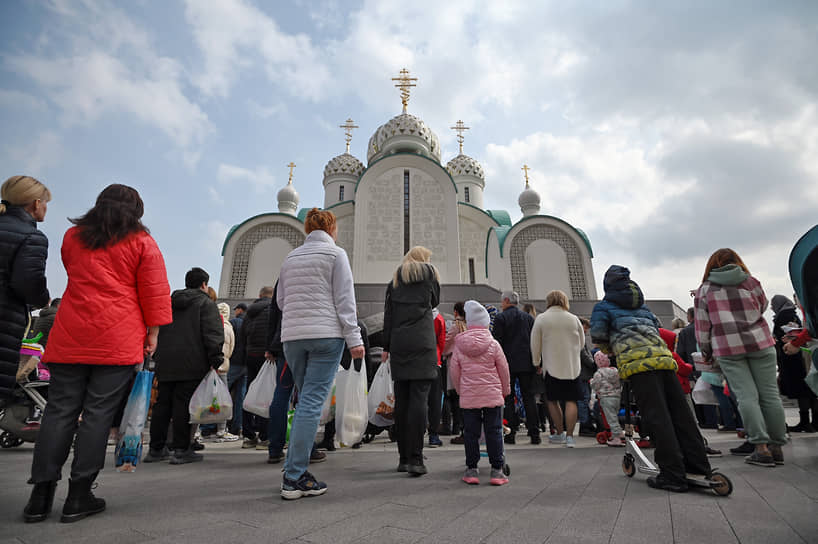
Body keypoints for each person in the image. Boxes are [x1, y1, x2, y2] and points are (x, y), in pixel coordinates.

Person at [24, 184, 171, 523]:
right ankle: (79, 495)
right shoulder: (142, 242)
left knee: (58, 412)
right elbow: (154, 291)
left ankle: (39, 496)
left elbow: (75, 273)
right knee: (97, 416)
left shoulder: (73, 237)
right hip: (116, 338)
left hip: (71, 334)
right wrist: (153, 333)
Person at [592, 265, 710, 492]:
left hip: (638, 366)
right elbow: (656, 329)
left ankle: (672, 473)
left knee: (657, 417)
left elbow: (598, 335)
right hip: (665, 361)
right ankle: (698, 464)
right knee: (680, 414)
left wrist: (611, 348)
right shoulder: (643, 306)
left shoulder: (604, 307)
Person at [277, 208, 363, 499]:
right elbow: (344, 299)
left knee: (305, 402)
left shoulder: (290, 257)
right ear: (332, 229)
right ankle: (294, 476)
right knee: (312, 403)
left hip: (293, 337)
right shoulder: (335, 254)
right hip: (326, 335)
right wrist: (355, 339)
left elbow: (281, 300)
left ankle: (293, 466)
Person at [694, 249, 787, 467]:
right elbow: (762, 306)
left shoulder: (705, 289)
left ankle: (760, 447)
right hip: (761, 343)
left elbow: (702, 325)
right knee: (770, 395)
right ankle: (777, 446)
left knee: (746, 396)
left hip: (728, 347)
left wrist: (706, 349)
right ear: (737, 262)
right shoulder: (751, 282)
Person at [144, 267, 223, 465]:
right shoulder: (205, 304)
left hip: (165, 361)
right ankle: (181, 449)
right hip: (192, 362)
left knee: (163, 404)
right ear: (204, 284)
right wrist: (216, 358)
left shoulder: (169, 302)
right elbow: (212, 333)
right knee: (183, 405)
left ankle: (156, 448)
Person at [383, 246, 441, 477]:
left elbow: (388, 317)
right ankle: (416, 459)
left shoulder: (395, 281)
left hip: (400, 344)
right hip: (423, 343)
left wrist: (386, 347)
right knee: (419, 400)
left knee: (403, 400)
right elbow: (436, 301)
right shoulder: (431, 276)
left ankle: (404, 458)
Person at [0, 175, 50, 402]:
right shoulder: (32, 236)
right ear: (35, 203)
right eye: (45, 202)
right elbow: (27, 283)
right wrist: (43, 299)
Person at [449, 300, 510, 485]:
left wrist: (461, 390)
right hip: (492, 394)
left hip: (469, 396)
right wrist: (505, 390)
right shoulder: (493, 344)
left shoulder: (459, 344)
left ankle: (471, 470)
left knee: (471, 433)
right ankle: (497, 470)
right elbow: (503, 369)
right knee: (495, 431)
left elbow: (454, 371)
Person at [530, 290, 584, 447]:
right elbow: (581, 344)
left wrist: (536, 361)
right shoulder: (574, 319)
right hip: (572, 367)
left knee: (553, 400)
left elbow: (535, 343)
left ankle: (559, 433)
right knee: (571, 400)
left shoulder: (542, 318)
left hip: (552, 366)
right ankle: (570, 437)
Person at [492, 290, 539, 445]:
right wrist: (538, 362)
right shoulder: (528, 318)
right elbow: (535, 342)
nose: (501, 304)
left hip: (507, 363)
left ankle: (511, 434)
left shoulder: (500, 318)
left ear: (506, 300)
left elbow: (497, 343)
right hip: (527, 363)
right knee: (529, 397)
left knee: (508, 398)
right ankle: (534, 433)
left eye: (502, 301)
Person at [771, 294, 816, 432]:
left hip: (792, 357)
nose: (772, 308)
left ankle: (805, 422)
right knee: (809, 390)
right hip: (801, 355)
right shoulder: (794, 314)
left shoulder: (783, 316)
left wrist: (790, 341)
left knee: (802, 390)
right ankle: (813, 422)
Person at [240, 286, 274, 449]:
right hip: (268, 357)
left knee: (250, 392)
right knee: (267, 394)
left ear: (260, 295)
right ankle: (265, 436)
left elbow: (243, 334)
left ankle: (248, 435)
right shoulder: (272, 309)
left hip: (251, 355)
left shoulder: (249, 312)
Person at [442, 301, 467, 443]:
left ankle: (455, 426)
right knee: (462, 397)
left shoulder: (455, 326)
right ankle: (459, 427)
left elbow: (446, 344)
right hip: (468, 365)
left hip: (455, 364)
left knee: (452, 396)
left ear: (456, 312)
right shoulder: (470, 324)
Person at [590, 351, 625, 446]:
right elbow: (618, 383)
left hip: (606, 397)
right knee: (614, 416)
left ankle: (616, 438)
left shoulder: (598, 373)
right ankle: (619, 433)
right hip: (617, 397)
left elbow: (596, 386)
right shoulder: (615, 371)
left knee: (610, 418)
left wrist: (591, 382)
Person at [427, 308, 447, 447]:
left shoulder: (414, 314)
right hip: (435, 360)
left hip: (416, 361)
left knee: (418, 399)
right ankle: (433, 435)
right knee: (434, 400)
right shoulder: (439, 318)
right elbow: (442, 341)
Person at [577, 317, 597, 436]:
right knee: (584, 399)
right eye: (585, 328)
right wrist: (593, 364)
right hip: (583, 373)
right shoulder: (579, 338)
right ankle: (585, 425)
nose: (586, 331)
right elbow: (584, 355)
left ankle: (586, 423)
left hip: (582, 373)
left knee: (585, 399)